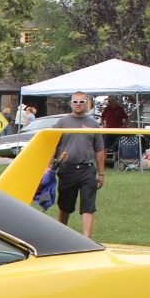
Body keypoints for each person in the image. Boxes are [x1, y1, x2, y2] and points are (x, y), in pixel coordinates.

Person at [53, 91, 105, 239]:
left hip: (87, 169)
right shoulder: (62, 123)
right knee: (65, 205)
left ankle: (86, 239)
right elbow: (53, 146)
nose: (78, 105)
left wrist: (101, 173)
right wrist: (48, 167)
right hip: (67, 168)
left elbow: (99, 149)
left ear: (86, 103)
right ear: (71, 103)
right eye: (75, 101)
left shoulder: (93, 124)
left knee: (88, 206)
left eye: (81, 102)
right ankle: (61, 235)